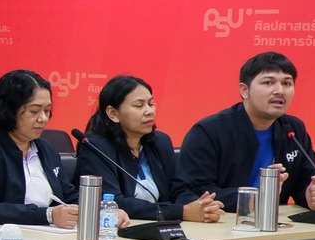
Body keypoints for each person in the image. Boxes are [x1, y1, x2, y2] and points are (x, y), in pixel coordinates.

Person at [176, 52, 315, 212]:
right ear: (244, 90)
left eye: (287, 83)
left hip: (273, 222)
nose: (280, 90)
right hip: (221, 221)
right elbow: (194, 190)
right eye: (268, 83)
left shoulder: (293, 129)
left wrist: (310, 196)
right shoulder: (208, 131)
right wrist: (253, 198)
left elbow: (309, 179)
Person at [76, 76, 224, 223]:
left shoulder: (160, 142)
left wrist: (200, 205)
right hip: (121, 228)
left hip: (160, 226)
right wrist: (181, 212)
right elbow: (113, 202)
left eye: (151, 104)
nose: (149, 111)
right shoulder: (95, 147)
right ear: (113, 113)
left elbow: (178, 190)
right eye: (139, 106)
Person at [0, 69, 78, 228]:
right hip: (3, 237)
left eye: (47, 110)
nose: (43, 118)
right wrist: (48, 215)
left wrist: (90, 209)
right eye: (34, 111)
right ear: (9, 110)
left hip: (50, 235)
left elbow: (68, 196)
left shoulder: (47, 149)